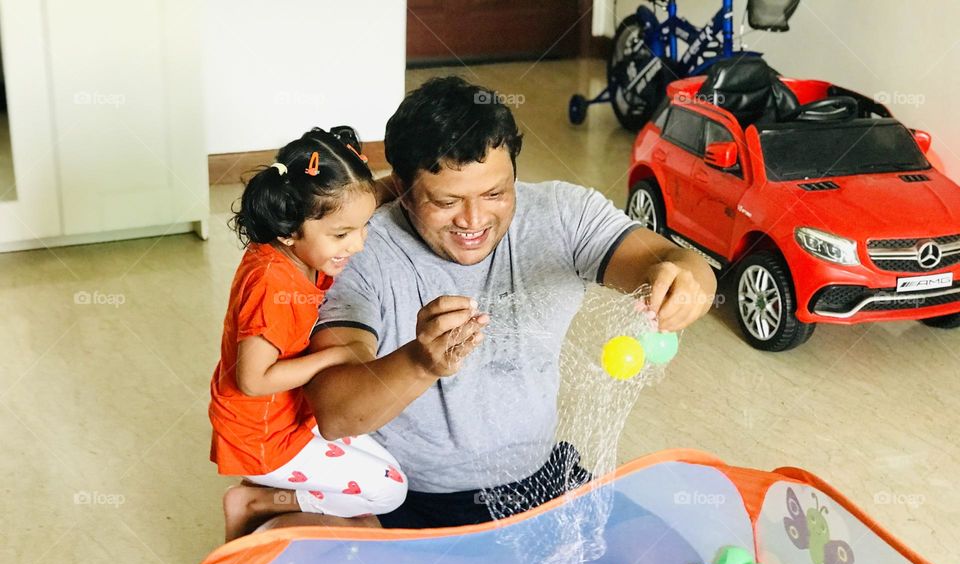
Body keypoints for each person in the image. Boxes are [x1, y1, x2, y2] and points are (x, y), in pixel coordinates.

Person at [260, 76, 717, 533]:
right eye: (446, 201)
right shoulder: (356, 250)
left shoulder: (562, 213)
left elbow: (674, 263)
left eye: (496, 194)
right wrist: (421, 362)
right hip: (410, 497)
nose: (474, 221)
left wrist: (684, 279)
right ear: (398, 185)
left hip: (538, 478)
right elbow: (337, 413)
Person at [211, 127, 408, 542]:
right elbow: (253, 379)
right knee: (391, 490)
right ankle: (257, 503)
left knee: (385, 456)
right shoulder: (273, 288)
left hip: (287, 415)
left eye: (363, 226)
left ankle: (274, 498)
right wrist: (335, 357)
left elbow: (355, 203)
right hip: (261, 437)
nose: (357, 245)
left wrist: (406, 180)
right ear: (287, 230)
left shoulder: (293, 246)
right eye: (342, 234)